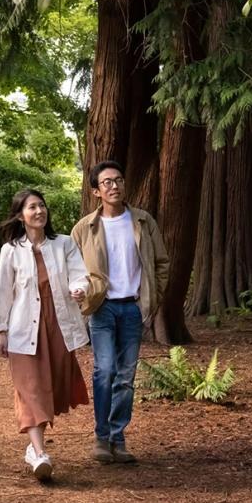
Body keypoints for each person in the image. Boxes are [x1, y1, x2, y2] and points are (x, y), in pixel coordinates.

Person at [71, 161, 169, 464]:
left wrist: (150, 301)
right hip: (102, 309)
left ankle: (118, 437)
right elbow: (73, 270)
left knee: (125, 377)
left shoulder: (142, 221)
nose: (114, 186)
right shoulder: (84, 228)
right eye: (107, 183)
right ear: (96, 191)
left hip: (132, 308)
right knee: (105, 371)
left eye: (118, 180)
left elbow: (161, 264)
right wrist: (81, 297)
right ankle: (101, 438)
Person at [0, 189, 90, 481]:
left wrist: (79, 288)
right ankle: (39, 452)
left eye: (42, 206)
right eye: (32, 207)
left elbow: (79, 273)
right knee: (31, 388)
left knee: (50, 386)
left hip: (58, 324)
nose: (39, 211)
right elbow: (3, 293)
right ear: (21, 215)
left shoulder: (63, 244)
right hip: (24, 327)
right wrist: (2, 330)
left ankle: (33, 449)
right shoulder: (11, 250)